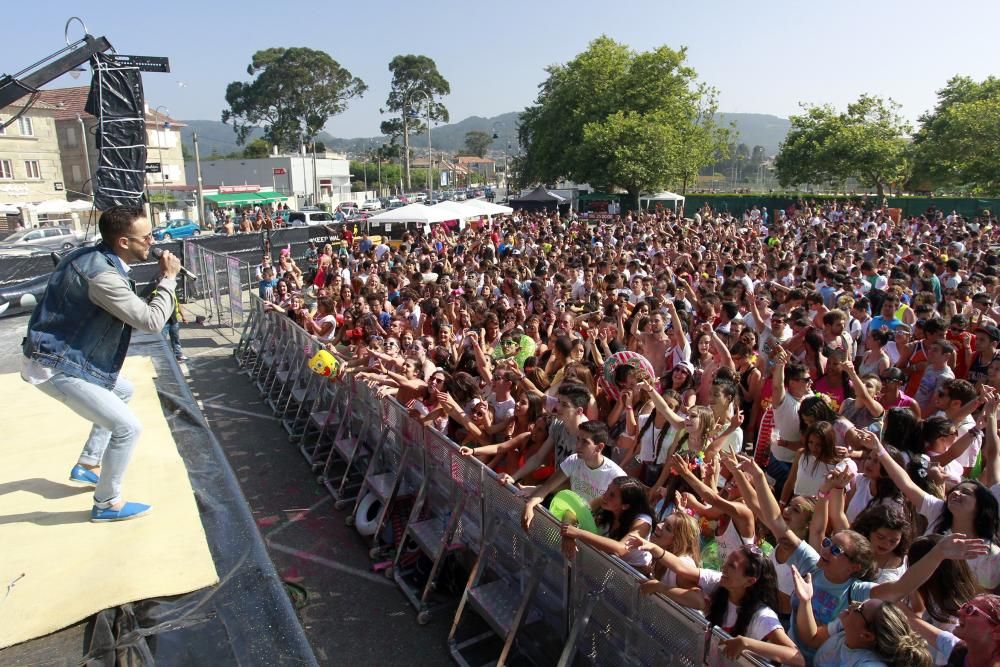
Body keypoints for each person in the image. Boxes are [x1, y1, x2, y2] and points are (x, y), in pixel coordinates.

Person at [22, 206, 181, 522]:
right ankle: (107, 504)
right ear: (124, 241)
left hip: (63, 354)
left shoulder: (92, 257)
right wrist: (168, 279)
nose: (153, 242)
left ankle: (88, 464)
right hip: (57, 364)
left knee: (122, 389)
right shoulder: (103, 276)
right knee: (127, 428)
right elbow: (151, 320)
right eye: (147, 237)